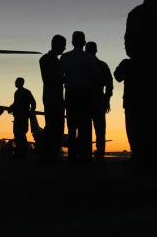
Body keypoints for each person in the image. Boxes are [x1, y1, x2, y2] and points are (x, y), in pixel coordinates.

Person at [123, 0, 157, 170]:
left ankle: (150, 155)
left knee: (153, 116)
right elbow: (131, 45)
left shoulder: (155, 14)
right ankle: (144, 156)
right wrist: (149, 63)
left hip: (155, 72)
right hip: (147, 74)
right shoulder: (140, 14)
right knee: (143, 116)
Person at [60, 31, 98, 163]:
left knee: (71, 127)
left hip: (71, 95)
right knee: (85, 128)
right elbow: (94, 78)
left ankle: (71, 157)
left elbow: (60, 77)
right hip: (85, 95)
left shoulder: (64, 57)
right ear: (84, 43)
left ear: (72, 42)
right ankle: (84, 156)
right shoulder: (90, 58)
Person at [39, 34, 66, 163]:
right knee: (53, 126)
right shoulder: (46, 59)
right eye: (63, 45)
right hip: (52, 97)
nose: (64, 48)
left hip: (54, 97)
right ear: (56, 44)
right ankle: (48, 154)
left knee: (56, 126)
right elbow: (51, 79)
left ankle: (51, 153)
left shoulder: (52, 60)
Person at [85, 40, 114, 162]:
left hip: (85, 100)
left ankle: (86, 154)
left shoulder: (83, 66)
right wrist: (107, 99)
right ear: (96, 50)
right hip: (98, 100)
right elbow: (109, 85)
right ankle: (100, 154)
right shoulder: (102, 65)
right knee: (100, 130)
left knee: (85, 129)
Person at [10, 77, 36, 158]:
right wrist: (11, 107)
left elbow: (33, 103)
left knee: (21, 134)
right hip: (18, 116)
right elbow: (16, 103)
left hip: (23, 117)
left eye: (16, 82)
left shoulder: (26, 92)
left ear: (20, 83)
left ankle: (23, 153)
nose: (15, 83)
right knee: (18, 134)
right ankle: (20, 153)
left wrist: (31, 112)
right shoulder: (17, 92)